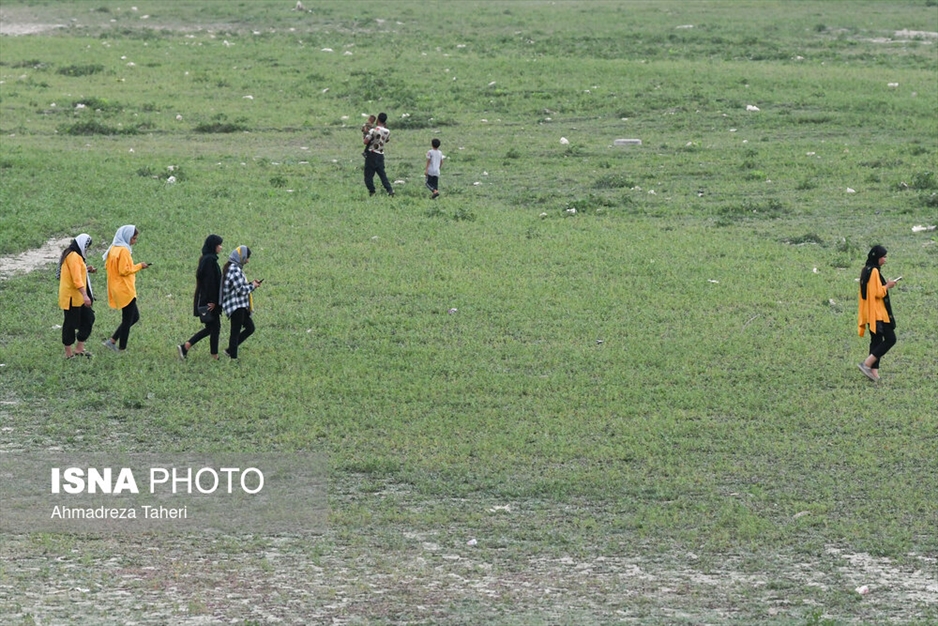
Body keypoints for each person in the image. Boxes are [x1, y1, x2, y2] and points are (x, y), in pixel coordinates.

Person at [102, 225, 149, 352]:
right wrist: (139, 266)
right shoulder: (123, 251)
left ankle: (112, 341)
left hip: (116, 287)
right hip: (125, 289)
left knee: (134, 317)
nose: (134, 241)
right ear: (127, 237)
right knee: (128, 319)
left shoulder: (113, 248)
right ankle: (122, 348)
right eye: (133, 238)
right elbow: (124, 270)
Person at [178, 234, 224, 360]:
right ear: (213, 246)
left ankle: (187, 347)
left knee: (212, 328)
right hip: (209, 301)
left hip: (206, 299)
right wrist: (213, 301)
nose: (221, 247)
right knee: (214, 327)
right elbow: (210, 283)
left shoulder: (207, 259)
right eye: (219, 245)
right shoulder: (209, 261)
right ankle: (212, 354)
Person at [857, 245, 898, 381]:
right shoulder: (874, 271)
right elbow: (877, 293)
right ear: (877, 257)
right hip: (878, 314)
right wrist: (887, 286)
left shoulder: (865, 270)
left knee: (876, 341)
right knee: (891, 339)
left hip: (869, 313)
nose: (885, 260)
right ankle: (867, 363)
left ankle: (873, 372)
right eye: (883, 257)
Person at [57, 233, 97, 359]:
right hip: (72, 297)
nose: (86, 250)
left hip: (77, 297)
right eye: (86, 247)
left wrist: (86, 269)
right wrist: (85, 295)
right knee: (70, 324)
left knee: (88, 318)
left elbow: (77, 271)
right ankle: (68, 354)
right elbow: (76, 279)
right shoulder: (73, 256)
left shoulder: (75, 255)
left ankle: (79, 349)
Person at [221, 245, 261, 359]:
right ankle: (233, 357)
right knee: (235, 332)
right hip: (236, 306)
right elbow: (241, 290)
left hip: (240, 305)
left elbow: (239, 286)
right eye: (247, 258)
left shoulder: (234, 268)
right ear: (241, 257)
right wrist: (252, 286)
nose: (248, 261)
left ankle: (230, 350)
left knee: (250, 328)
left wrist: (251, 284)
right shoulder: (234, 269)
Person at [363, 112, 394, 197]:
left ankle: (372, 191)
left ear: (377, 120)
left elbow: (365, 142)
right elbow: (386, 140)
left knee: (368, 176)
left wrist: (365, 133)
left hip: (371, 154)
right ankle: (390, 190)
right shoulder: (387, 131)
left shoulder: (373, 130)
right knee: (382, 174)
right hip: (380, 155)